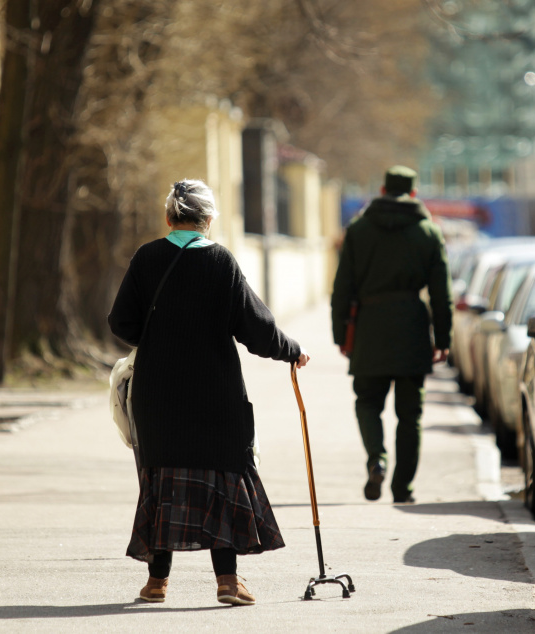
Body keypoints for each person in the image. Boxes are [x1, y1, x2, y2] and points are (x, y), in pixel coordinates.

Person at [108, 179, 310, 606]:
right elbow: (256, 329)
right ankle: (227, 581)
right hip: (214, 394)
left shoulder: (147, 258)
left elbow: (121, 324)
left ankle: (156, 582)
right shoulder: (221, 262)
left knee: (162, 478)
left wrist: (158, 330)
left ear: (169, 217)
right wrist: (292, 350)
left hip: (157, 394)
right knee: (220, 479)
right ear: (209, 220)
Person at [330, 165, 452, 504]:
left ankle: (376, 459)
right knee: (409, 415)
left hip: (369, 327)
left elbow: (342, 287)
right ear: (413, 193)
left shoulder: (358, 230)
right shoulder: (428, 232)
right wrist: (443, 339)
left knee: (367, 402)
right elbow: (442, 293)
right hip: (412, 329)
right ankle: (403, 487)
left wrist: (341, 333)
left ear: (383, 190)